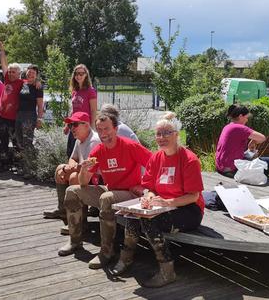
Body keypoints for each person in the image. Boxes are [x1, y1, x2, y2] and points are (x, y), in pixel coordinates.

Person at [111, 112, 204, 288]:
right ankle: (126, 259)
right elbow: (148, 187)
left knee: (148, 221)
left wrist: (168, 203)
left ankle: (167, 271)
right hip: (161, 206)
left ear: (177, 134)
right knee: (132, 215)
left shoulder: (189, 160)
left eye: (167, 133)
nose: (161, 138)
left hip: (188, 209)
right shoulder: (156, 157)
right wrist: (150, 197)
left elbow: (194, 196)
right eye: (158, 134)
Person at [58, 111, 152, 270]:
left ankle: (107, 252)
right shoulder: (98, 150)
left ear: (115, 129)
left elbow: (154, 163)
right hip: (111, 190)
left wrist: (147, 188)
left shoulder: (130, 146)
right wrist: (84, 171)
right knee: (72, 191)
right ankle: (75, 242)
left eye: (106, 129)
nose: (103, 133)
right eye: (99, 130)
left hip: (130, 194)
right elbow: (83, 183)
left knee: (106, 197)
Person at [43, 112, 101, 220]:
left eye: (75, 125)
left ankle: (79, 220)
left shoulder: (94, 141)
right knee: (59, 168)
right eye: (70, 125)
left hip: (97, 180)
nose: (71, 128)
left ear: (86, 125)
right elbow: (73, 158)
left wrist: (67, 170)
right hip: (86, 175)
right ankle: (64, 210)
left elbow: (87, 167)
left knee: (74, 177)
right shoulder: (79, 139)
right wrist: (67, 168)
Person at [215, 104, 269, 177]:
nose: (247, 120)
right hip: (231, 169)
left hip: (221, 167)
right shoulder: (239, 128)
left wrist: (252, 142)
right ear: (240, 116)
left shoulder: (227, 127)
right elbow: (262, 138)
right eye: (246, 117)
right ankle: (256, 177)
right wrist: (254, 141)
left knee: (251, 157)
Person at [0, 41, 25, 171]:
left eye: (14, 72)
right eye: (10, 71)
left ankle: (18, 165)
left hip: (15, 119)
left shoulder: (22, 83)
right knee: (2, 141)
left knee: (16, 142)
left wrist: (37, 82)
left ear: (19, 73)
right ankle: (4, 163)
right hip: (3, 116)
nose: (11, 73)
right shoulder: (7, 79)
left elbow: (33, 79)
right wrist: (2, 50)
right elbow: (3, 63)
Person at [15, 64, 44, 179]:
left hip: (29, 116)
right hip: (19, 115)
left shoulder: (38, 87)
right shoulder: (23, 84)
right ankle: (24, 166)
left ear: (36, 75)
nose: (30, 74)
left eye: (33, 72)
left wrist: (40, 118)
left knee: (27, 143)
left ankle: (30, 168)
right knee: (20, 141)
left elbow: (40, 105)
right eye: (29, 72)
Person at [65, 64, 97, 157]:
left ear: (86, 75)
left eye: (81, 73)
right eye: (76, 73)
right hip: (74, 126)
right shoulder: (75, 91)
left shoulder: (90, 91)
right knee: (70, 153)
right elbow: (73, 110)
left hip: (84, 127)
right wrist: (67, 125)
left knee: (83, 155)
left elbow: (93, 110)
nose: (78, 76)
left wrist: (92, 128)